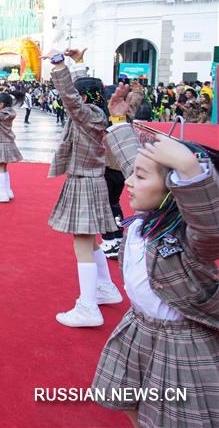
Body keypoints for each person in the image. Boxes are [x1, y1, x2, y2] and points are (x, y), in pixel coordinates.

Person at [91, 83, 219, 427]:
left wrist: (192, 171)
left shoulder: (191, 237)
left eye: (140, 176)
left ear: (175, 191)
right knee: (127, 397)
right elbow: (135, 156)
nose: (128, 181)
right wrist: (117, 119)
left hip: (181, 344)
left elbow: (210, 226)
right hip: (138, 326)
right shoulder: (149, 214)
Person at [45, 48, 122, 328]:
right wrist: (78, 63)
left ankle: (88, 306)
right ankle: (105, 288)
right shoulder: (96, 114)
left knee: (82, 244)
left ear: (84, 98)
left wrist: (59, 64)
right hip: (91, 180)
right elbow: (79, 94)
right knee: (89, 241)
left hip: (85, 181)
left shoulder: (86, 114)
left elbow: (70, 97)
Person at [101, 83, 144, 260]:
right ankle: (117, 237)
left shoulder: (103, 118)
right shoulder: (127, 114)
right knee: (113, 202)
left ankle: (110, 240)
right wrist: (137, 91)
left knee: (106, 204)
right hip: (122, 168)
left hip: (109, 166)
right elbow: (134, 101)